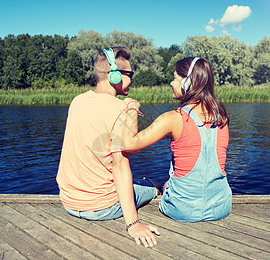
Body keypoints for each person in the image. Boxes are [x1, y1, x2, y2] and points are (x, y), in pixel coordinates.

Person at [56, 47, 160, 247]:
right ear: (115, 76)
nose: (132, 79)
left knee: (138, 182)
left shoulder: (77, 101)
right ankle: (156, 189)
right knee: (152, 186)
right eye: (130, 75)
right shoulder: (119, 109)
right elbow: (120, 166)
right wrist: (133, 224)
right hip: (102, 207)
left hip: (69, 202)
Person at [121, 57, 232, 223]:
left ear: (187, 83)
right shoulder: (221, 118)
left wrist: (131, 109)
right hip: (221, 207)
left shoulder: (173, 118)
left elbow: (128, 144)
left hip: (182, 210)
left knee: (161, 185)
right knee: (169, 183)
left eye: (175, 78)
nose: (172, 83)